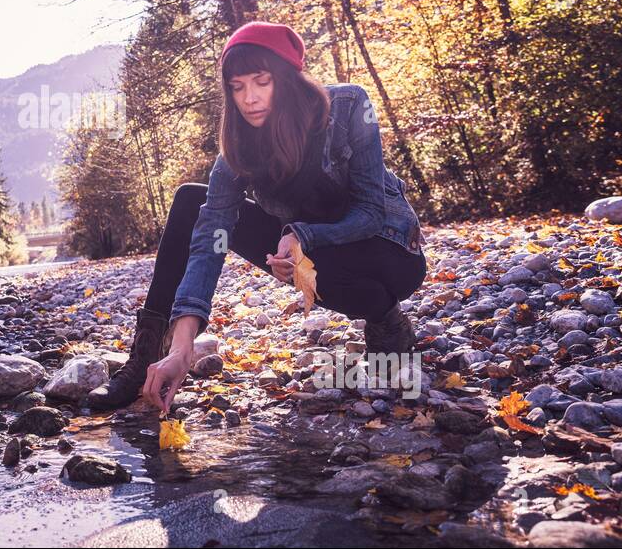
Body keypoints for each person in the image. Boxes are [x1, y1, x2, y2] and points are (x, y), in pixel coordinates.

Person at [86, 20, 427, 413]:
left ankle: (386, 319)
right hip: (313, 260)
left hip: (390, 253)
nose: (249, 98)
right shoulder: (239, 152)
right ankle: (148, 360)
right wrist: (184, 347)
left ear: (286, 79)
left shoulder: (349, 106)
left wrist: (301, 235)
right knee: (189, 203)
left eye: (261, 81)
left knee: (319, 255)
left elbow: (370, 212)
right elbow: (208, 243)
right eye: (237, 86)